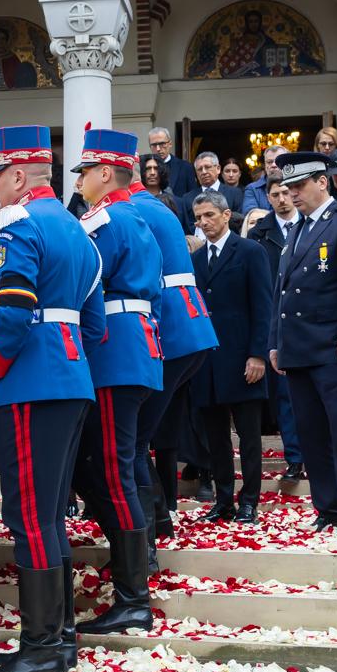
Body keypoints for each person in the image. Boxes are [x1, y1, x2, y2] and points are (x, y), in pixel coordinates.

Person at [0, 123, 103, 672]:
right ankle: (59, 636)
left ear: (18, 176)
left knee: (27, 513)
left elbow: (13, 307)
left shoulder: (17, 224)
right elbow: (93, 324)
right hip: (72, 376)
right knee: (49, 514)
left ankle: (43, 642)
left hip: (32, 381)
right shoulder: (77, 230)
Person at [69, 128, 161, 636]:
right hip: (137, 347)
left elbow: (84, 282)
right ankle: (132, 581)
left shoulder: (104, 219)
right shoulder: (135, 215)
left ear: (106, 173)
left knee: (112, 470)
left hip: (113, 351)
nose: (79, 181)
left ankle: (133, 597)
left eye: (84, 172)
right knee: (110, 466)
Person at [267, 152, 337, 535]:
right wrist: (275, 342)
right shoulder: (295, 231)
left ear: (322, 182)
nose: (293, 194)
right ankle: (329, 508)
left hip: (334, 347)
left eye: (299, 186)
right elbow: (282, 294)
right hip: (299, 350)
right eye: (288, 187)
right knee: (311, 435)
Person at [128, 149, 217, 555]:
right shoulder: (151, 206)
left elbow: (140, 278)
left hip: (170, 333)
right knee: (142, 437)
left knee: (132, 440)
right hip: (191, 329)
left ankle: (146, 540)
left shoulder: (130, 211)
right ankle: (159, 520)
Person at [189, 190, 271, 523]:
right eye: (198, 218)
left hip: (242, 359)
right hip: (207, 362)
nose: (203, 222)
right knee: (215, 438)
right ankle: (224, 499)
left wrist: (258, 354)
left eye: (209, 215)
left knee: (249, 436)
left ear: (226, 215)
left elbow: (263, 306)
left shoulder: (251, 251)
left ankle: (249, 499)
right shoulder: (194, 260)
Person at [242, 177, 305, 486]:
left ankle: (316, 453)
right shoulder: (258, 235)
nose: (282, 199)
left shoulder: (311, 225)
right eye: (275, 194)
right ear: (267, 198)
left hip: (308, 320)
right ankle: (295, 458)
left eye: (285, 192)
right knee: (283, 397)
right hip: (274, 322)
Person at [240, 145, 291, 215]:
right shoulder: (252, 189)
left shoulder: (297, 184)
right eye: (269, 162)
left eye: (278, 161)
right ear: (265, 165)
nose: (273, 165)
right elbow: (251, 214)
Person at [147, 126, 196, 198]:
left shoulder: (186, 167)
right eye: (154, 145)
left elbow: (192, 197)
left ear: (170, 144)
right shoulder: (143, 169)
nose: (158, 149)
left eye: (162, 143)